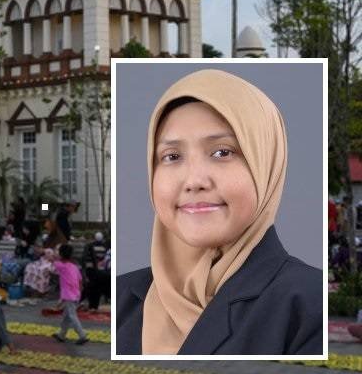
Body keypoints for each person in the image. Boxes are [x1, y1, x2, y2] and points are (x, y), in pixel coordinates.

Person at [116, 69, 323, 355]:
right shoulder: (123, 297)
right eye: (172, 157)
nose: (194, 181)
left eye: (222, 152)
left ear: (266, 164)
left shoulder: (308, 305)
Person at [52, 243, 88, 345]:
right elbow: (80, 280)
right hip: (76, 294)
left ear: (61, 254)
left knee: (72, 316)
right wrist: (79, 292)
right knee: (66, 316)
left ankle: (82, 335)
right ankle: (61, 335)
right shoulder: (74, 266)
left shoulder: (60, 266)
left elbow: (52, 260)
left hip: (69, 296)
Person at [83, 231, 110, 311]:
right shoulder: (104, 247)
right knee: (96, 287)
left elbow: (86, 259)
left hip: (95, 271)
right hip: (101, 271)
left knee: (94, 287)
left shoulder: (90, 246)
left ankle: (93, 306)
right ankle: (94, 305)